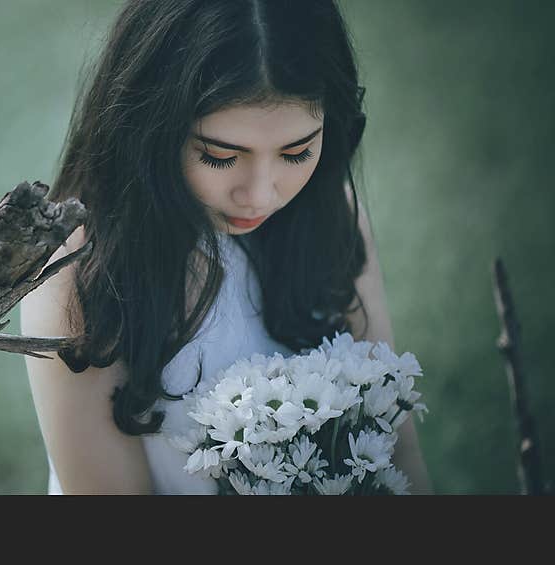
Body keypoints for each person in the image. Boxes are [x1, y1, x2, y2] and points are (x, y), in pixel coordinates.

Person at [21, 0, 433, 494]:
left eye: (297, 151)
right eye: (219, 156)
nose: (261, 194)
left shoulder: (331, 215)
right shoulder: (82, 270)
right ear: (149, 127)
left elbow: (396, 445)